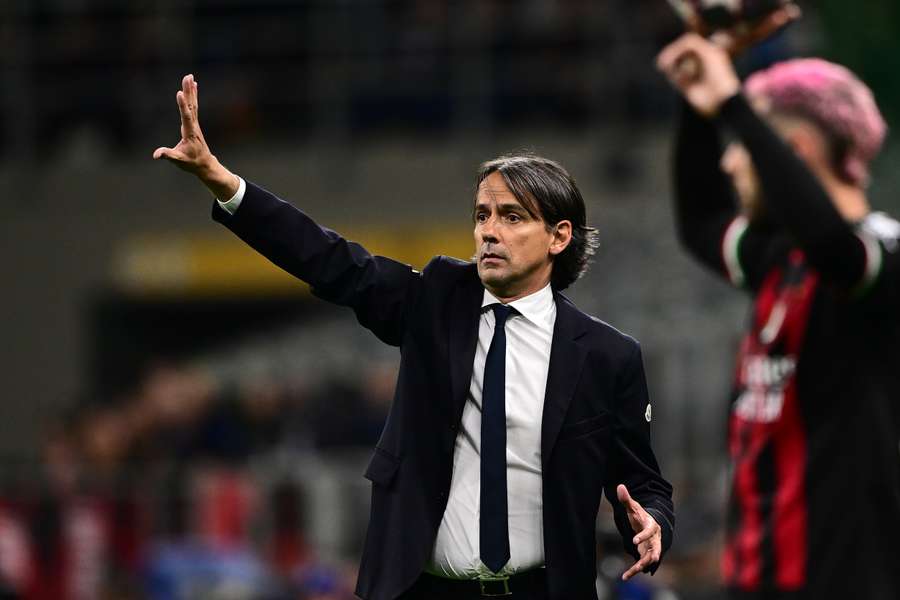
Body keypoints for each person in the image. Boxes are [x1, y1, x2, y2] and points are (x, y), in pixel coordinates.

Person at [153, 74, 674, 600]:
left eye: (512, 217)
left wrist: (652, 524)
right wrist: (224, 183)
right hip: (423, 589)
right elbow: (332, 261)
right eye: (482, 215)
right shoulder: (437, 300)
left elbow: (645, 481)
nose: (489, 231)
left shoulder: (609, 356)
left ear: (559, 236)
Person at [657, 32, 900, 600]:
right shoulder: (779, 258)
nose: (730, 159)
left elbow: (834, 248)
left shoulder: (884, 254)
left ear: (793, 154)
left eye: (744, 144)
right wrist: (699, 104)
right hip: (756, 577)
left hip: (844, 581)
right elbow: (700, 221)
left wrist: (735, 106)